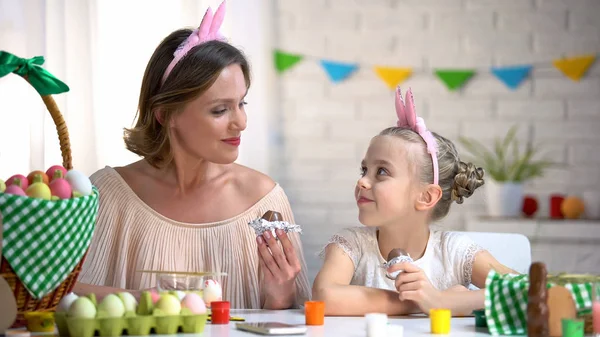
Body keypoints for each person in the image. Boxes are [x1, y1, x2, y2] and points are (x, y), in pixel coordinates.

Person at [74, 1, 311, 309]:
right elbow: (52, 294)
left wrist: (281, 293)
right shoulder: (106, 195)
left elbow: (294, 325)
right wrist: (145, 300)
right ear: (165, 115)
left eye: (242, 103)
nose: (241, 122)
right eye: (220, 109)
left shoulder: (264, 200)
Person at [312, 87, 517, 316]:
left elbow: (526, 290)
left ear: (426, 197)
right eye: (364, 169)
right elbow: (324, 296)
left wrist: (444, 302)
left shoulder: (454, 252)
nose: (362, 182)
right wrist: (421, 302)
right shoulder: (352, 244)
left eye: (381, 171)